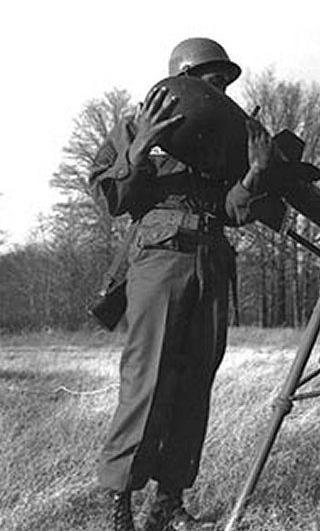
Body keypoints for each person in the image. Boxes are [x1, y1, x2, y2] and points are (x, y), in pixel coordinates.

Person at [89, 37, 282, 531]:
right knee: (146, 380)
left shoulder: (226, 140)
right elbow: (111, 196)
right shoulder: (138, 121)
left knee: (195, 384)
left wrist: (256, 175)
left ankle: (167, 503)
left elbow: (232, 211)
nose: (222, 94)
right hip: (160, 259)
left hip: (212, 259)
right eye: (214, 82)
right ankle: (119, 505)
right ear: (187, 76)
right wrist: (139, 144)